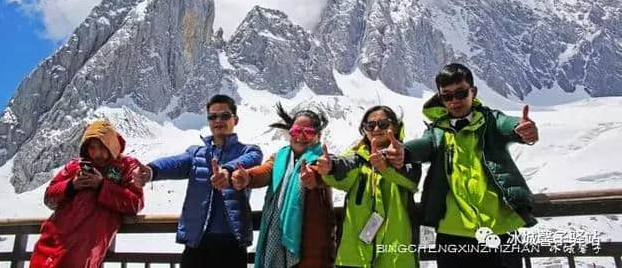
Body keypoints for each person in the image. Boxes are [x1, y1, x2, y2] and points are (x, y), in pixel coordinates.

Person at [402, 63, 539, 268]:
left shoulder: (491, 120)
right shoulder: (437, 131)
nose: (454, 101)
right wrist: (403, 152)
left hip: (500, 230)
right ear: (441, 98)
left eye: (460, 93)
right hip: (452, 235)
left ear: (473, 92)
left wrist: (522, 130)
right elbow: (423, 147)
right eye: (447, 96)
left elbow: (509, 126)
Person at [132, 94, 263, 268]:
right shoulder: (196, 154)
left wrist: (227, 171)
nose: (218, 120)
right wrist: (151, 171)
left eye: (224, 116)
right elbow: (175, 163)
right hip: (197, 242)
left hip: (232, 243)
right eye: (212, 116)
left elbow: (251, 161)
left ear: (235, 119)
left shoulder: (250, 151)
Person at [231, 103, 336, 268]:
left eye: (307, 132)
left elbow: (325, 173)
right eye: (295, 131)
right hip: (278, 238)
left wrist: (314, 176)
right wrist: (248, 177)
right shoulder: (281, 156)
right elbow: (266, 172)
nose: (300, 136)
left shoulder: (323, 160)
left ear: (318, 135)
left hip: (311, 248)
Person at [30, 119, 144, 268]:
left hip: (84, 250)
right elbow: (49, 197)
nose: (97, 154)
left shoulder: (127, 166)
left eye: (102, 148)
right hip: (52, 243)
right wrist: (71, 186)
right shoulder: (75, 166)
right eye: (92, 148)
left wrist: (102, 186)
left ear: (112, 145)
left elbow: (135, 203)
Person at [317, 105, 421, 268]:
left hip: (395, 258)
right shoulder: (357, 158)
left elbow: (412, 178)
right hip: (354, 257)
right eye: (370, 125)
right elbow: (342, 166)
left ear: (395, 126)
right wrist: (330, 167)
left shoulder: (406, 156)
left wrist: (387, 166)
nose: (377, 128)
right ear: (364, 130)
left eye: (383, 123)